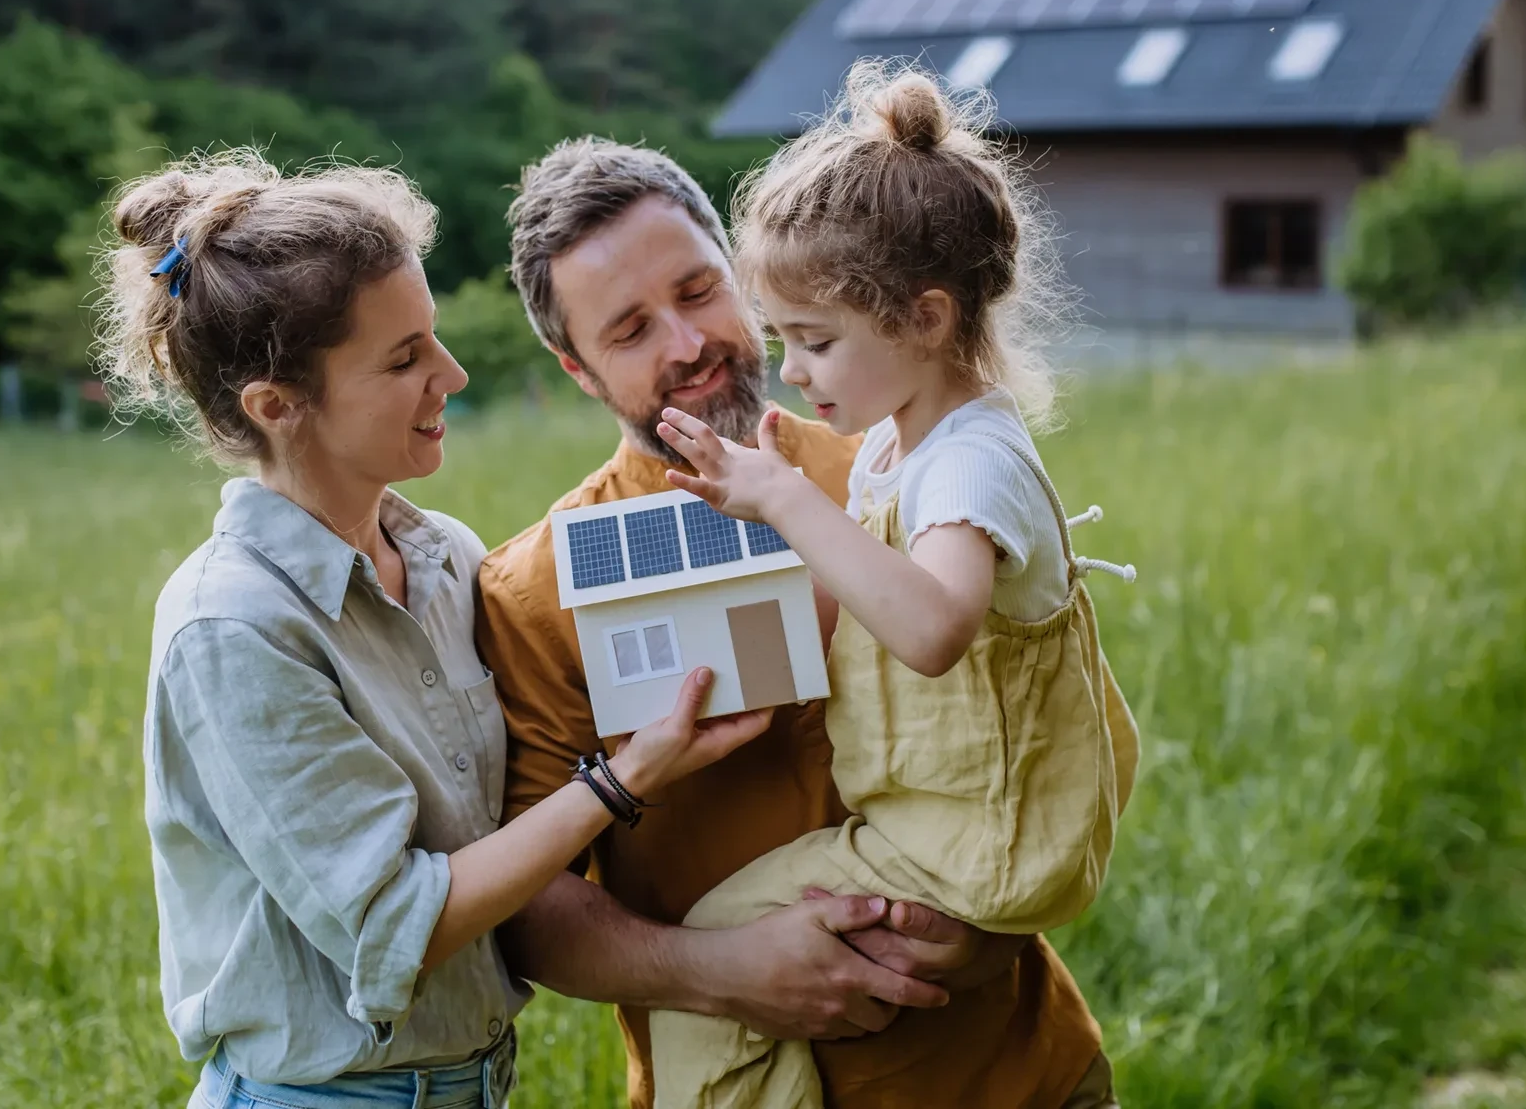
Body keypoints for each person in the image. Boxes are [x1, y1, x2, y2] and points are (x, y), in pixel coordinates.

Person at [103, 151, 767, 1109]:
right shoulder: (233, 627)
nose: (449, 375)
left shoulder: (451, 559)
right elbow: (391, 925)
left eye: (435, 339)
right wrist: (621, 782)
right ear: (278, 407)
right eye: (403, 359)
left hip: (476, 1084)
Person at [476, 136, 1119, 1109]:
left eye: (696, 292)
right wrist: (720, 971)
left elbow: (1032, 724)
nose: (685, 345)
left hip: (1018, 1076)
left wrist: (982, 921)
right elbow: (525, 910)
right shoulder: (533, 589)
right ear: (578, 370)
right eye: (630, 331)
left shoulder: (900, 459)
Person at [646, 66, 1141, 1108]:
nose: (789, 369)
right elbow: (861, 618)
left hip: (974, 844)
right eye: (782, 337)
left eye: (814, 341)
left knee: (707, 965)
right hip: (932, 826)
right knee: (731, 955)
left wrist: (787, 502)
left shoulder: (968, 464)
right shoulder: (897, 444)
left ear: (923, 318)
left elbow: (928, 632)